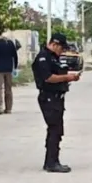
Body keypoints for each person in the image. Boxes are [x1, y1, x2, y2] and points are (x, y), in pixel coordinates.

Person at [32, 32, 81, 173]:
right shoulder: (43, 58)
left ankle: (52, 161)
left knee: (56, 130)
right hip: (48, 97)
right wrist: (67, 78)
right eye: (61, 48)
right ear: (54, 44)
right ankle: (51, 163)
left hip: (56, 97)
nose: (62, 51)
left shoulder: (53, 57)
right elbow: (48, 78)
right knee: (54, 129)